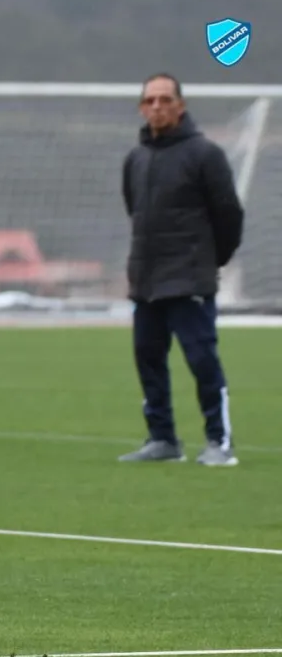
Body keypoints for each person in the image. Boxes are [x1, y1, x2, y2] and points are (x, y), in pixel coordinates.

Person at [119, 72, 243, 466]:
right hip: (147, 280)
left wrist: (210, 261)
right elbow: (133, 210)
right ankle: (163, 439)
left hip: (189, 277)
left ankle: (219, 442)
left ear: (181, 106)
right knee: (147, 358)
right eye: (150, 100)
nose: (157, 106)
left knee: (202, 360)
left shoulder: (206, 154)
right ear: (142, 107)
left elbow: (229, 215)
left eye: (165, 99)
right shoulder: (135, 158)